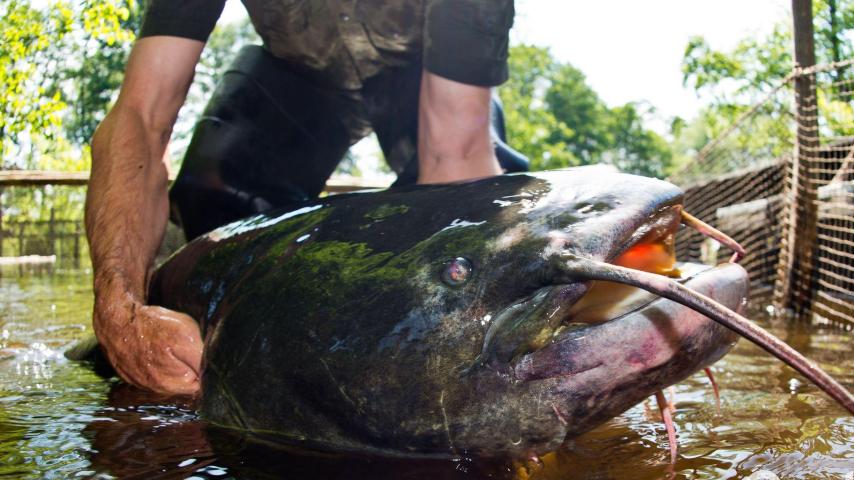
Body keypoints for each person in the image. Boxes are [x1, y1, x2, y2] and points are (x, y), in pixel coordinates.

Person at [84, 0, 525, 395]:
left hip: (422, 79)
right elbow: (141, 115)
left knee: (471, 222)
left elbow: (453, 155)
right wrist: (118, 311)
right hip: (294, 79)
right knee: (212, 198)